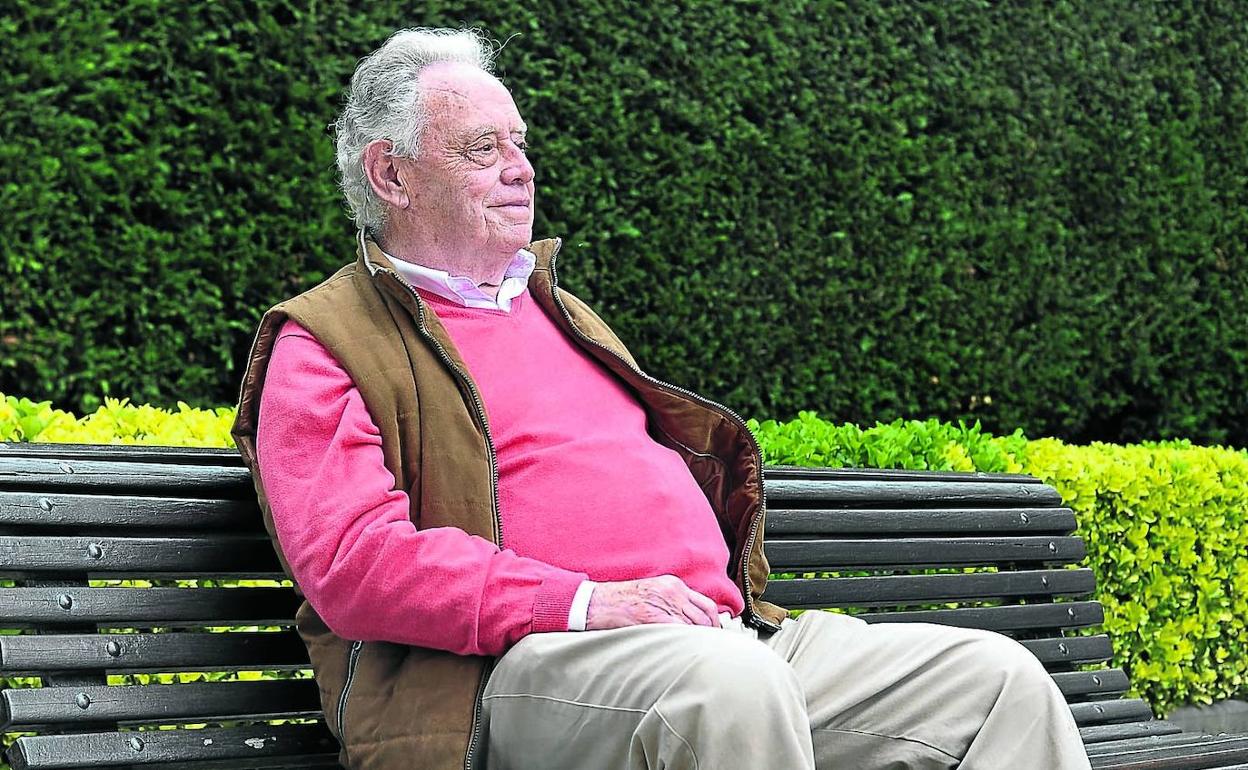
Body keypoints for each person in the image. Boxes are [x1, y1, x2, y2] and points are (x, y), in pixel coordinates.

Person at [231, 27, 1092, 770]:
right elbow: (355, 562)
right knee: (726, 690)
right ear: (391, 174)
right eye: (483, 149)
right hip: (502, 673)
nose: (521, 171)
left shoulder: (559, 313)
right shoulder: (326, 340)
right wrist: (582, 601)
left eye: (520, 144)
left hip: (720, 638)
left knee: (995, 681)